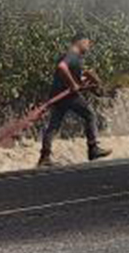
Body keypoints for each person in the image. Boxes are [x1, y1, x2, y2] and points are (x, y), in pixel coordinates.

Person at [38, 34, 111, 168]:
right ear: (80, 42)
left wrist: (83, 80)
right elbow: (62, 67)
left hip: (59, 95)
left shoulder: (73, 57)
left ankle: (44, 156)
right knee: (89, 114)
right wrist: (72, 85)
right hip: (67, 96)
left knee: (53, 126)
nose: (89, 47)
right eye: (87, 43)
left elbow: (71, 75)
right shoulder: (72, 55)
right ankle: (93, 148)